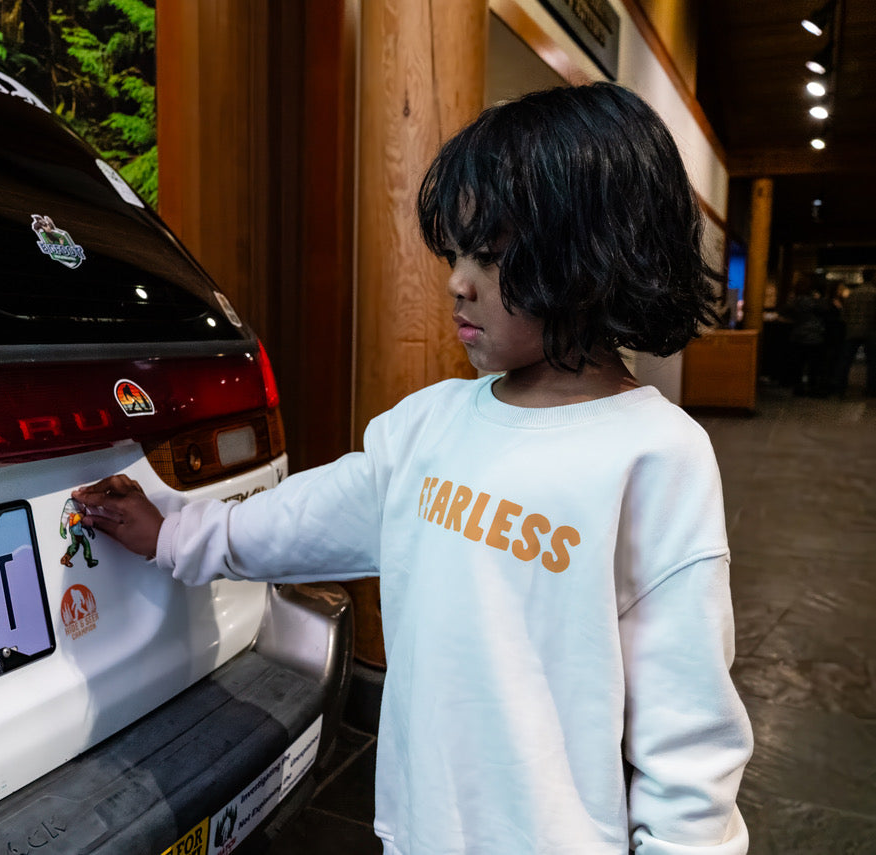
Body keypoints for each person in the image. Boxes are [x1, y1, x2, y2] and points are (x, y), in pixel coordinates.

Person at [75, 83, 753, 855]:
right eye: (455, 252)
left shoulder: (654, 454)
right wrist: (173, 532)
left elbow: (688, 727)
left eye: (491, 256)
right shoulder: (430, 424)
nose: (457, 281)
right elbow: (304, 515)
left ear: (596, 255)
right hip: (420, 829)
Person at [834, 268, 876, 396]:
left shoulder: (853, 293)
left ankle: (840, 387)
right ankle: (871, 388)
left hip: (852, 330)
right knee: (872, 362)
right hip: (870, 331)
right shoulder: (874, 293)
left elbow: (844, 314)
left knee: (846, 360)